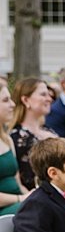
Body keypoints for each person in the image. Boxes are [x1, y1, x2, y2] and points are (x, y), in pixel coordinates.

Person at [10, 78, 59, 191]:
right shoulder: (16, 137)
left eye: (49, 94)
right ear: (26, 100)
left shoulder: (50, 131)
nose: (49, 99)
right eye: (43, 94)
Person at [0, 84, 27, 214]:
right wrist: (20, 198)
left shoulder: (7, 140)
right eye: (5, 100)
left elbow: (18, 184)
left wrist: (33, 196)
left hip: (19, 204)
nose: (12, 104)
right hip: (6, 210)